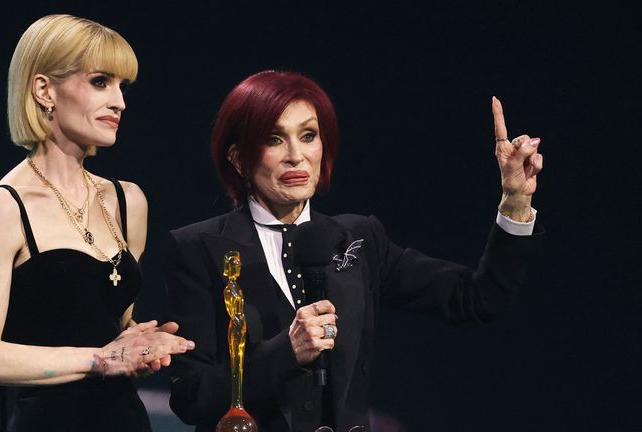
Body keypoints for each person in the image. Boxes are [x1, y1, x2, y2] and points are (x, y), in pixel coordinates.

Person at [164, 70, 544, 432]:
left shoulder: (360, 238)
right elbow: (191, 396)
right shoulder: (198, 247)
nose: (296, 155)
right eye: (274, 139)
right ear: (238, 158)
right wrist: (285, 351)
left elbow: (478, 298)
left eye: (308, 135)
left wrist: (515, 202)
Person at [0, 15, 194, 431]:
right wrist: (101, 360)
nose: (120, 101)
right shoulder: (5, 207)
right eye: (101, 82)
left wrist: (140, 345)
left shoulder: (127, 201)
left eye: (123, 87)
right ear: (44, 89)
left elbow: (109, 324)